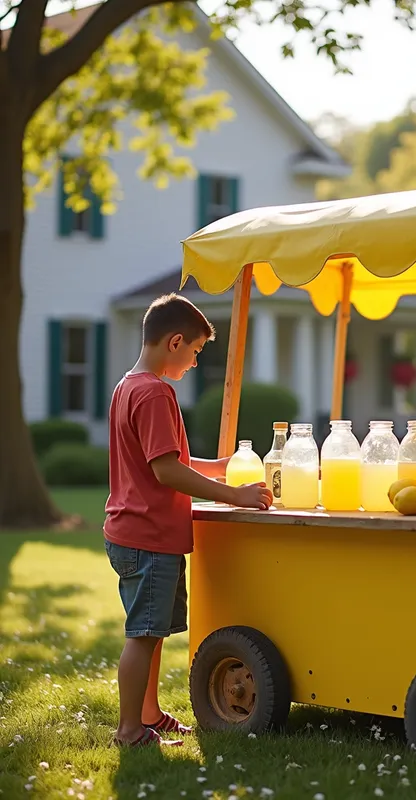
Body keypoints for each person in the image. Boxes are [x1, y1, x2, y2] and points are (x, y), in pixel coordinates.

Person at [104, 293, 272, 748]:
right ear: (175, 342)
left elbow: (168, 457)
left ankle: (149, 715)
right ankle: (129, 731)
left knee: (151, 632)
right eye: (196, 351)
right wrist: (234, 494)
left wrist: (219, 467)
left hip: (129, 532)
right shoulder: (157, 392)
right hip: (149, 536)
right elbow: (167, 471)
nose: (196, 362)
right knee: (143, 635)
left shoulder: (128, 386)